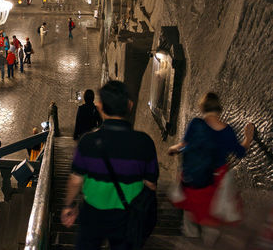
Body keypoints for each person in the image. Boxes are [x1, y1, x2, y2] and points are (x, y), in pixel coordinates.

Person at [61, 80, 159, 250]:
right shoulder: (145, 143)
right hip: (128, 215)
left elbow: (75, 181)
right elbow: (151, 184)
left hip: (92, 213)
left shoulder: (88, 143)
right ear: (129, 106)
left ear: (100, 107)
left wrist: (70, 205)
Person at [167, 93, 254, 245]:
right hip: (215, 180)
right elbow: (240, 152)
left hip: (194, 178)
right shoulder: (227, 131)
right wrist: (248, 137)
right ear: (219, 108)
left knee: (191, 211)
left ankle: (190, 237)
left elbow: (182, 145)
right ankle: (208, 240)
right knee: (212, 216)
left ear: (203, 108)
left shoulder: (195, 124)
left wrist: (172, 149)